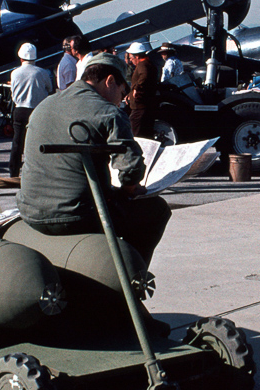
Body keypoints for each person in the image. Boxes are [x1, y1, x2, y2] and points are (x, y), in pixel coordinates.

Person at [17, 53, 171, 266]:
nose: (122, 99)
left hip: (31, 211)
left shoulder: (44, 105)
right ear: (109, 81)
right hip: (78, 216)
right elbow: (131, 169)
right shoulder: (108, 112)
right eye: (122, 91)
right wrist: (130, 190)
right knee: (157, 210)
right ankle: (131, 274)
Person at [8, 42, 54, 178]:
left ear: (21, 58)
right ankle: (37, 172)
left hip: (20, 109)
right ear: (34, 58)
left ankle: (14, 172)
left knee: (17, 142)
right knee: (37, 142)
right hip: (37, 110)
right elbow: (49, 89)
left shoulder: (14, 73)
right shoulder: (42, 72)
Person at [125, 40, 160, 138]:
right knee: (146, 133)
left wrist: (136, 89)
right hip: (147, 105)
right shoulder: (150, 64)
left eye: (131, 57)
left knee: (134, 132)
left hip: (139, 106)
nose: (131, 60)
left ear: (137, 56)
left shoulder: (142, 65)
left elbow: (144, 76)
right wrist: (130, 94)